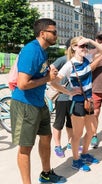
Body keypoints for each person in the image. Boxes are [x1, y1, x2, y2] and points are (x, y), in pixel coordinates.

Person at [10, 18, 66, 184]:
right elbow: (22, 83)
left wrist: (51, 75)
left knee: (46, 137)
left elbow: (42, 76)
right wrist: (47, 77)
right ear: (43, 33)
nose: (57, 35)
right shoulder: (31, 51)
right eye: (53, 32)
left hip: (39, 103)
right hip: (24, 105)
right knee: (25, 147)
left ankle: (46, 173)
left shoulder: (42, 51)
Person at [51, 36, 102, 172]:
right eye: (81, 46)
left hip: (89, 101)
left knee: (91, 130)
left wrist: (88, 40)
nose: (85, 49)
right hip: (77, 103)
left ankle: (85, 154)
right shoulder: (70, 65)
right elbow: (53, 83)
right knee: (77, 134)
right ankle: (76, 160)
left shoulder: (87, 59)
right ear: (74, 47)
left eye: (85, 47)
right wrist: (69, 92)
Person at [51, 38, 74, 158]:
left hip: (73, 98)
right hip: (62, 98)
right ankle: (57, 146)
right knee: (59, 122)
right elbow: (50, 69)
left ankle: (70, 143)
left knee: (71, 123)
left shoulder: (77, 61)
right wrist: (55, 85)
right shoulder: (63, 60)